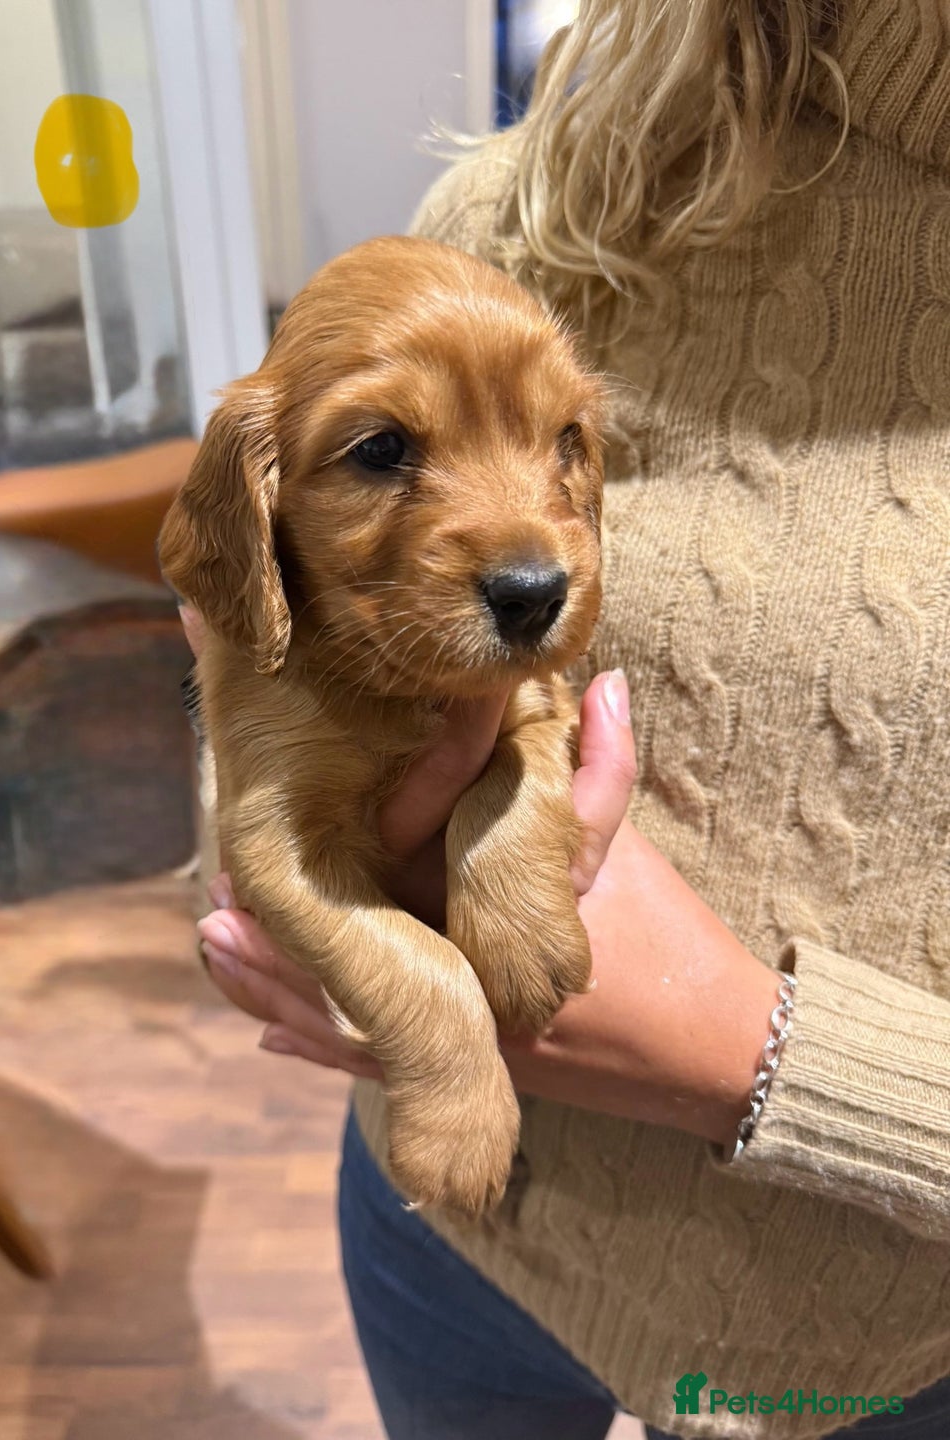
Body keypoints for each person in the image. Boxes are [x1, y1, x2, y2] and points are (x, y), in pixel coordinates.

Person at [189, 1, 950, 1435]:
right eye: (388, 448)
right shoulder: (535, 186)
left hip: (884, 1347)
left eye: (567, 445)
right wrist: (290, 827)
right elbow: (248, 650)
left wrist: (750, 1050)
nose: (534, 541)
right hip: (449, 1231)